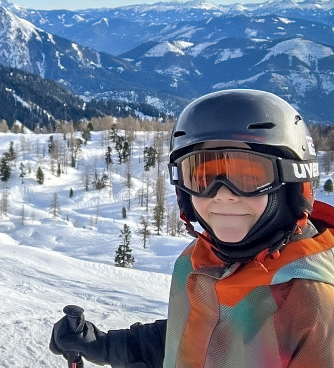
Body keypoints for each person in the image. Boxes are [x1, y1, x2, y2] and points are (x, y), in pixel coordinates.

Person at [49, 89, 334, 368]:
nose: (222, 194)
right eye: (203, 176)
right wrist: (106, 346)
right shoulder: (201, 259)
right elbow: (197, 339)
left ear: (293, 182)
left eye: (248, 176)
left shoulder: (315, 304)